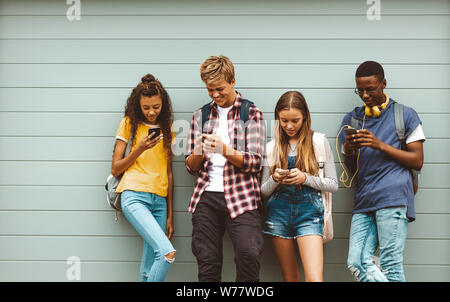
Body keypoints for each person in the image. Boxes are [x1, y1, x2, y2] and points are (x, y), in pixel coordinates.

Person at [339, 61, 425, 282]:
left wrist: (380, 145)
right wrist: (348, 151)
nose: (365, 95)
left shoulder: (405, 115)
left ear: (384, 84)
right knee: (356, 262)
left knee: (390, 265)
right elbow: (351, 170)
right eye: (360, 90)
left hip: (393, 195)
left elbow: (417, 160)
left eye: (371, 89)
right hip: (364, 199)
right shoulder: (352, 120)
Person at [185, 55, 266, 282]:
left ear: (232, 80)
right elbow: (191, 168)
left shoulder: (251, 113)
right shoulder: (199, 116)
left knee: (248, 255)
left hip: (242, 196)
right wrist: (199, 150)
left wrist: (224, 149)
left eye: (219, 88)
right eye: (210, 90)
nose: (215, 95)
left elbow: (255, 162)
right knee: (207, 261)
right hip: (206, 197)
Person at [261, 91, 338, 282]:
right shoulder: (271, 147)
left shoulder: (319, 142)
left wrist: (305, 178)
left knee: (314, 278)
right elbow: (262, 191)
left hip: (309, 214)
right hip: (278, 215)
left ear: (305, 117)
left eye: (295, 120)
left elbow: (333, 185)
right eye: (284, 120)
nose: (289, 126)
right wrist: (275, 179)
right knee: (290, 277)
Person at [111, 74, 176, 282]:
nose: (150, 112)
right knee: (167, 253)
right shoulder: (129, 123)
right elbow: (115, 168)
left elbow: (169, 173)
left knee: (149, 266)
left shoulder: (167, 130)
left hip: (159, 202)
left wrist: (170, 216)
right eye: (146, 107)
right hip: (134, 196)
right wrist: (139, 148)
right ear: (138, 105)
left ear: (162, 105)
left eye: (156, 107)